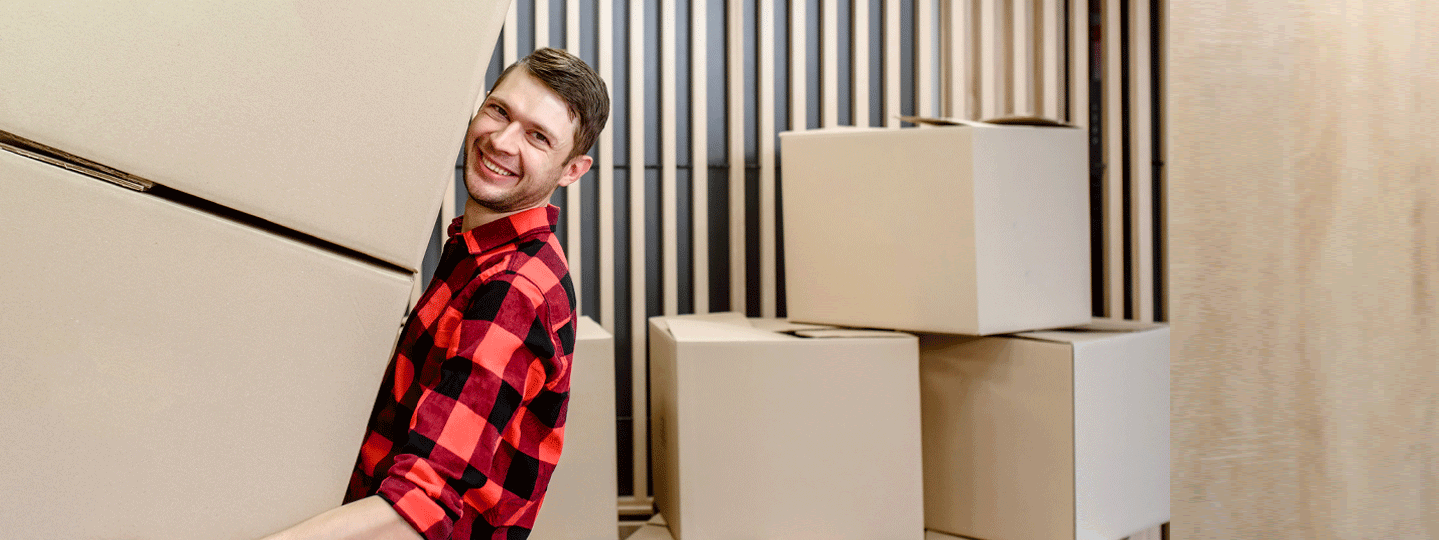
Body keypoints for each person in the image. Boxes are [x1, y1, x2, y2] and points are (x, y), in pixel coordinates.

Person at [261, 47, 609, 540]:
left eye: (538, 137)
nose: (503, 142)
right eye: (499, 111)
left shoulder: (512, 292)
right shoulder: (480, 254)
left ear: (572, 170)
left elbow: (418, 509)